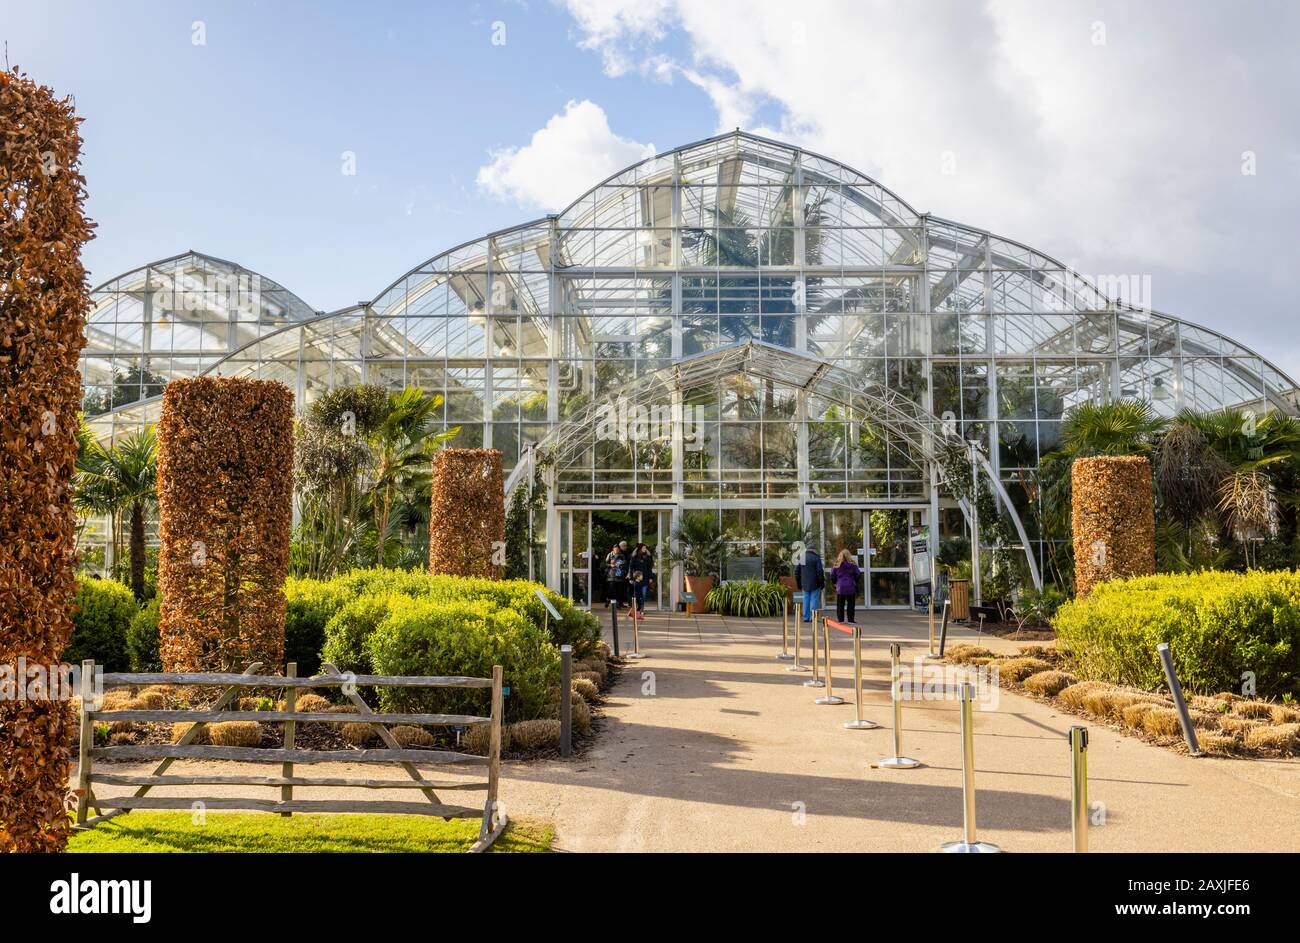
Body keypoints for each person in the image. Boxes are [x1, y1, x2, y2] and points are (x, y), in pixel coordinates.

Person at [793, 545, 824, 623]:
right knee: (814, 600)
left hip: (804, 583)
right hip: (815, 583)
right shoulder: (817, 558)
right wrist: (822, 583)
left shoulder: (802, 558)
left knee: (805, 599)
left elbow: (796, 572)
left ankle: (806, 617)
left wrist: (799, 583)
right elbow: (820, 572)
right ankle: (813, 617)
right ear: (814, 550)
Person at [831, 549, 862, 624]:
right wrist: (855, 581)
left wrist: (835, 583)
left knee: (840, 604)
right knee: (851, 604)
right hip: (851, 586)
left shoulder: (836, 565)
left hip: (840, 587)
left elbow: (832, 576)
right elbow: (858, 574)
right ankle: (850, 620)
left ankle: (841, 620)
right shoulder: (853, 565)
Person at [628, 542, 654, 618]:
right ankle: (635, 610)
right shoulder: (634, 557)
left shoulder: (647, 557)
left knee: (643, 595)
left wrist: (651, 577)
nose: (645, 549)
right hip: (637, 579)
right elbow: (631, 568)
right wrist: (631, 578)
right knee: (637, 595)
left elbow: (650, 568)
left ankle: (641, 610)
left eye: (645, 548)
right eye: (643, 548)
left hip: (645, 579)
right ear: (639, 549)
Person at [605, 541, 629, 611]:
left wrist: (621, 565)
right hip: (611, 576)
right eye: (615, 549)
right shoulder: (609, 555)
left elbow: (625, 564)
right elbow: (605, 564)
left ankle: (618, 604)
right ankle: (608, 599)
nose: (616, 550)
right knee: (611, 590)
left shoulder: (622, 555)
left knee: (619, 591)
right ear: (613, 549)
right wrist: (610, 565)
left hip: (619, 576)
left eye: (618, 549)